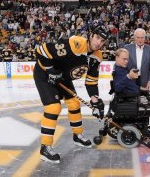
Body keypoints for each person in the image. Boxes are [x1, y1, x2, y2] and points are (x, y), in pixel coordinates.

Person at [33, 26, 109, 163]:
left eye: (102, 41)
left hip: (62, 77)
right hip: (44, 73)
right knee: (53, 107)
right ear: (91, 35)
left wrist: (95, 100)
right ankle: (45, 147)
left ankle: (77, 136)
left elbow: (91, 81)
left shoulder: (97, 57)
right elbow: (41, 50)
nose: (99, 42)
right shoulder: (76, 44)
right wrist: (50, 70)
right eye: (97, 37)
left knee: (74, 103)